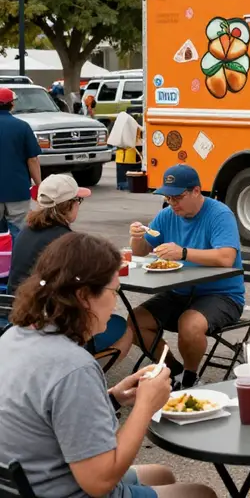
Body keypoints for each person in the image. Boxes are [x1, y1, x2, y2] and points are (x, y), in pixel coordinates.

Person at [0, 232, 217, 498]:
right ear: (83, 296)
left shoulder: (13, 336)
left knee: (161, 475)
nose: (115, 302)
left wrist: (113, 398)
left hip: (32, 478)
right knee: (201, 493)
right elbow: (100, 482)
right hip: (66, 488)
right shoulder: (74, 367)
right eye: (114, 291)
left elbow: (49, 409)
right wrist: (145, 406)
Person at [128, 164, 245, 389]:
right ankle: (174, 371)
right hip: (179, 291)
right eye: (168, 198)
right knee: (135, 322)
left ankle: (190, 379)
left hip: (222, 294)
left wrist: (183, 253)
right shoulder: (167, 215)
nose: (172, 203)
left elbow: (226, 257)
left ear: (196, 191)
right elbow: (141, 251)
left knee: (189, 324)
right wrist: (137, 237)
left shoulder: (219, 214)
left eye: (178, 197)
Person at [7, 173, 133, 359]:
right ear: (68, 205)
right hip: (54, 324)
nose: (78, 206)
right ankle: (86, 371)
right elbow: (87, 286)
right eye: (78, 201)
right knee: (126, 328)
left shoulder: (26, 231)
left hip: (21, 315)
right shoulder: (65, 242)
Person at [0, 86, 42, 242]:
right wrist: (39, 184)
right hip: (17, 189)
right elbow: (32, 159)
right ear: (12, 104)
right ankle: (18, 257)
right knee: (19, 232)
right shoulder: (22, 126)